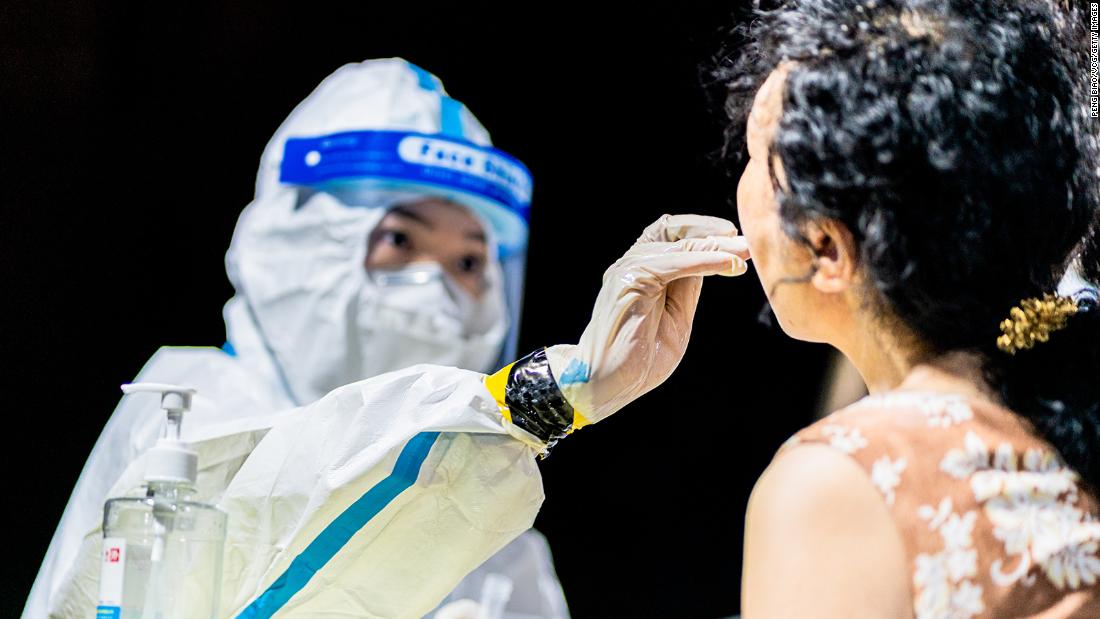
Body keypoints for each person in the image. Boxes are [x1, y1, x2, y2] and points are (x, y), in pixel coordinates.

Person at [26, 58, 752, 617]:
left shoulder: (498, 524)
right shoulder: (186, 416)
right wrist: (544, 397)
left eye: (470, 261)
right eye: (399, 238)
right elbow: (290, 539)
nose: (435, 282)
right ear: (300, 239)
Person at [710, 0, 1100, 616]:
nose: (741, 185)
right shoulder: (1074, 421)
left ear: (827, 247)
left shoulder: (836, 484)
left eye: (757, 157)